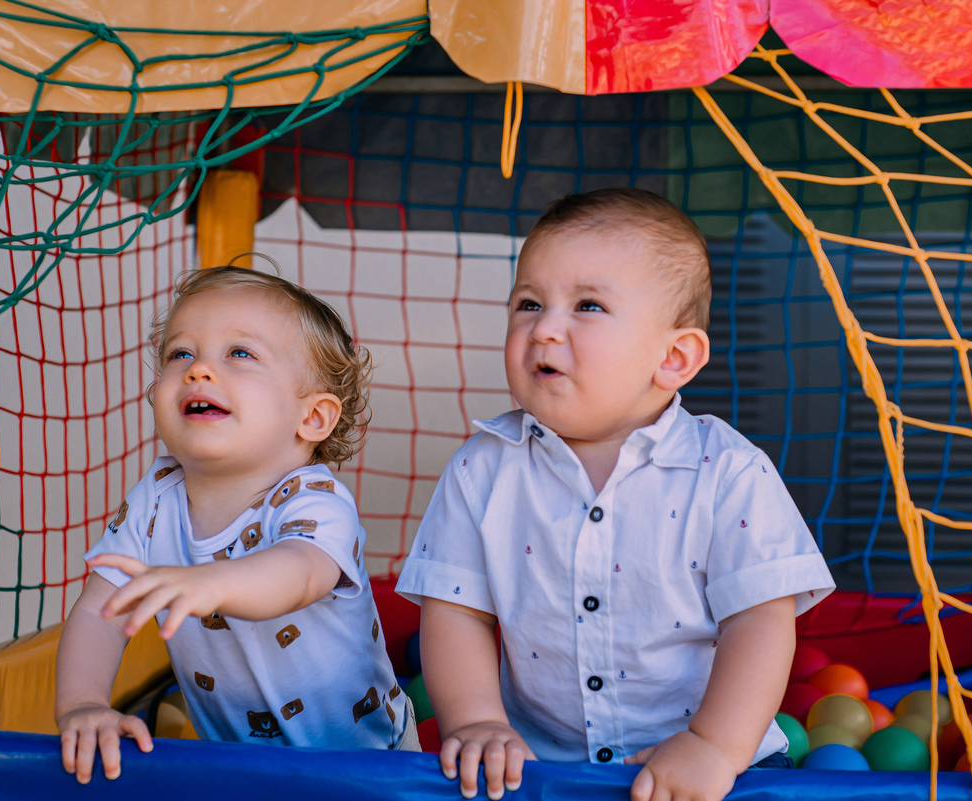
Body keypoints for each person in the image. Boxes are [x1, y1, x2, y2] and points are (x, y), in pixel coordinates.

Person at [397, 188, 835, 801]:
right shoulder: (482, 469)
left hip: (723, 768)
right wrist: (478, 721)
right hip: (537, 770)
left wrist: (714, 745)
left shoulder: (728, 472)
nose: (544, 328)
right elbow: (455, 611)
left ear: (674, 357)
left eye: (588, 306)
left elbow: (760, 621)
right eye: (528, 303)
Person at [55, 266, 414, 785]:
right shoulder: (156, 499)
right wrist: (82, 704)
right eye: (180, 353)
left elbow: (300, 572)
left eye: (239, 354)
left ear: (312, 418)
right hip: (240, 768)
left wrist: (210, 582)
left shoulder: (314, 499)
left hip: (373, 764)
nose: (199, 370)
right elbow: (99, 610)